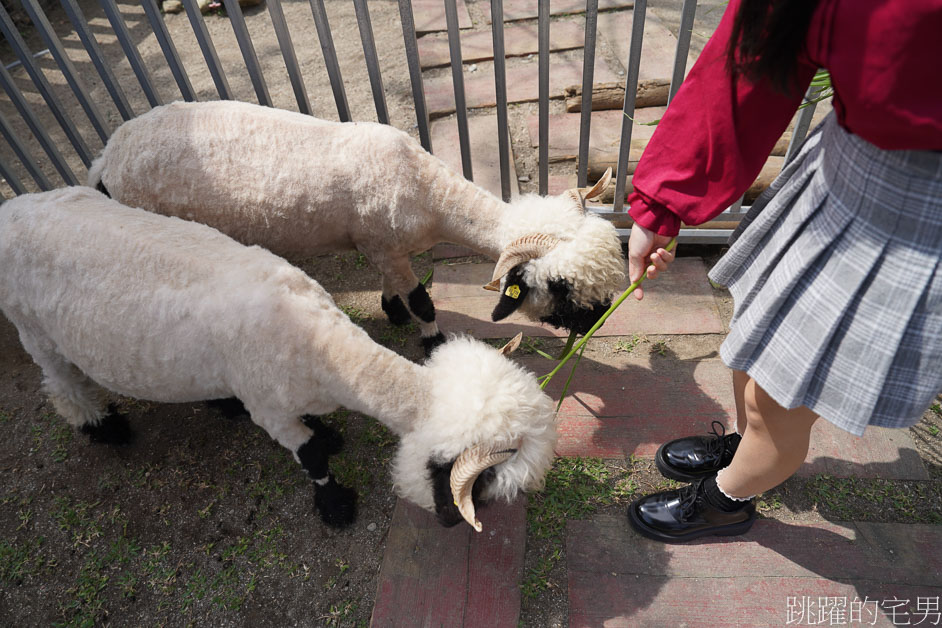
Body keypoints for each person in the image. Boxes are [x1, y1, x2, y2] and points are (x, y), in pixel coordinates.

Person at [623, 0, 942, 543]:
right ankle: (747, 447)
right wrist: (664, 199)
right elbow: (757, 41)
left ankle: (729, 498)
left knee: (783, 398)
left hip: (916, 224)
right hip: (844, 173)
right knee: (755, 343)